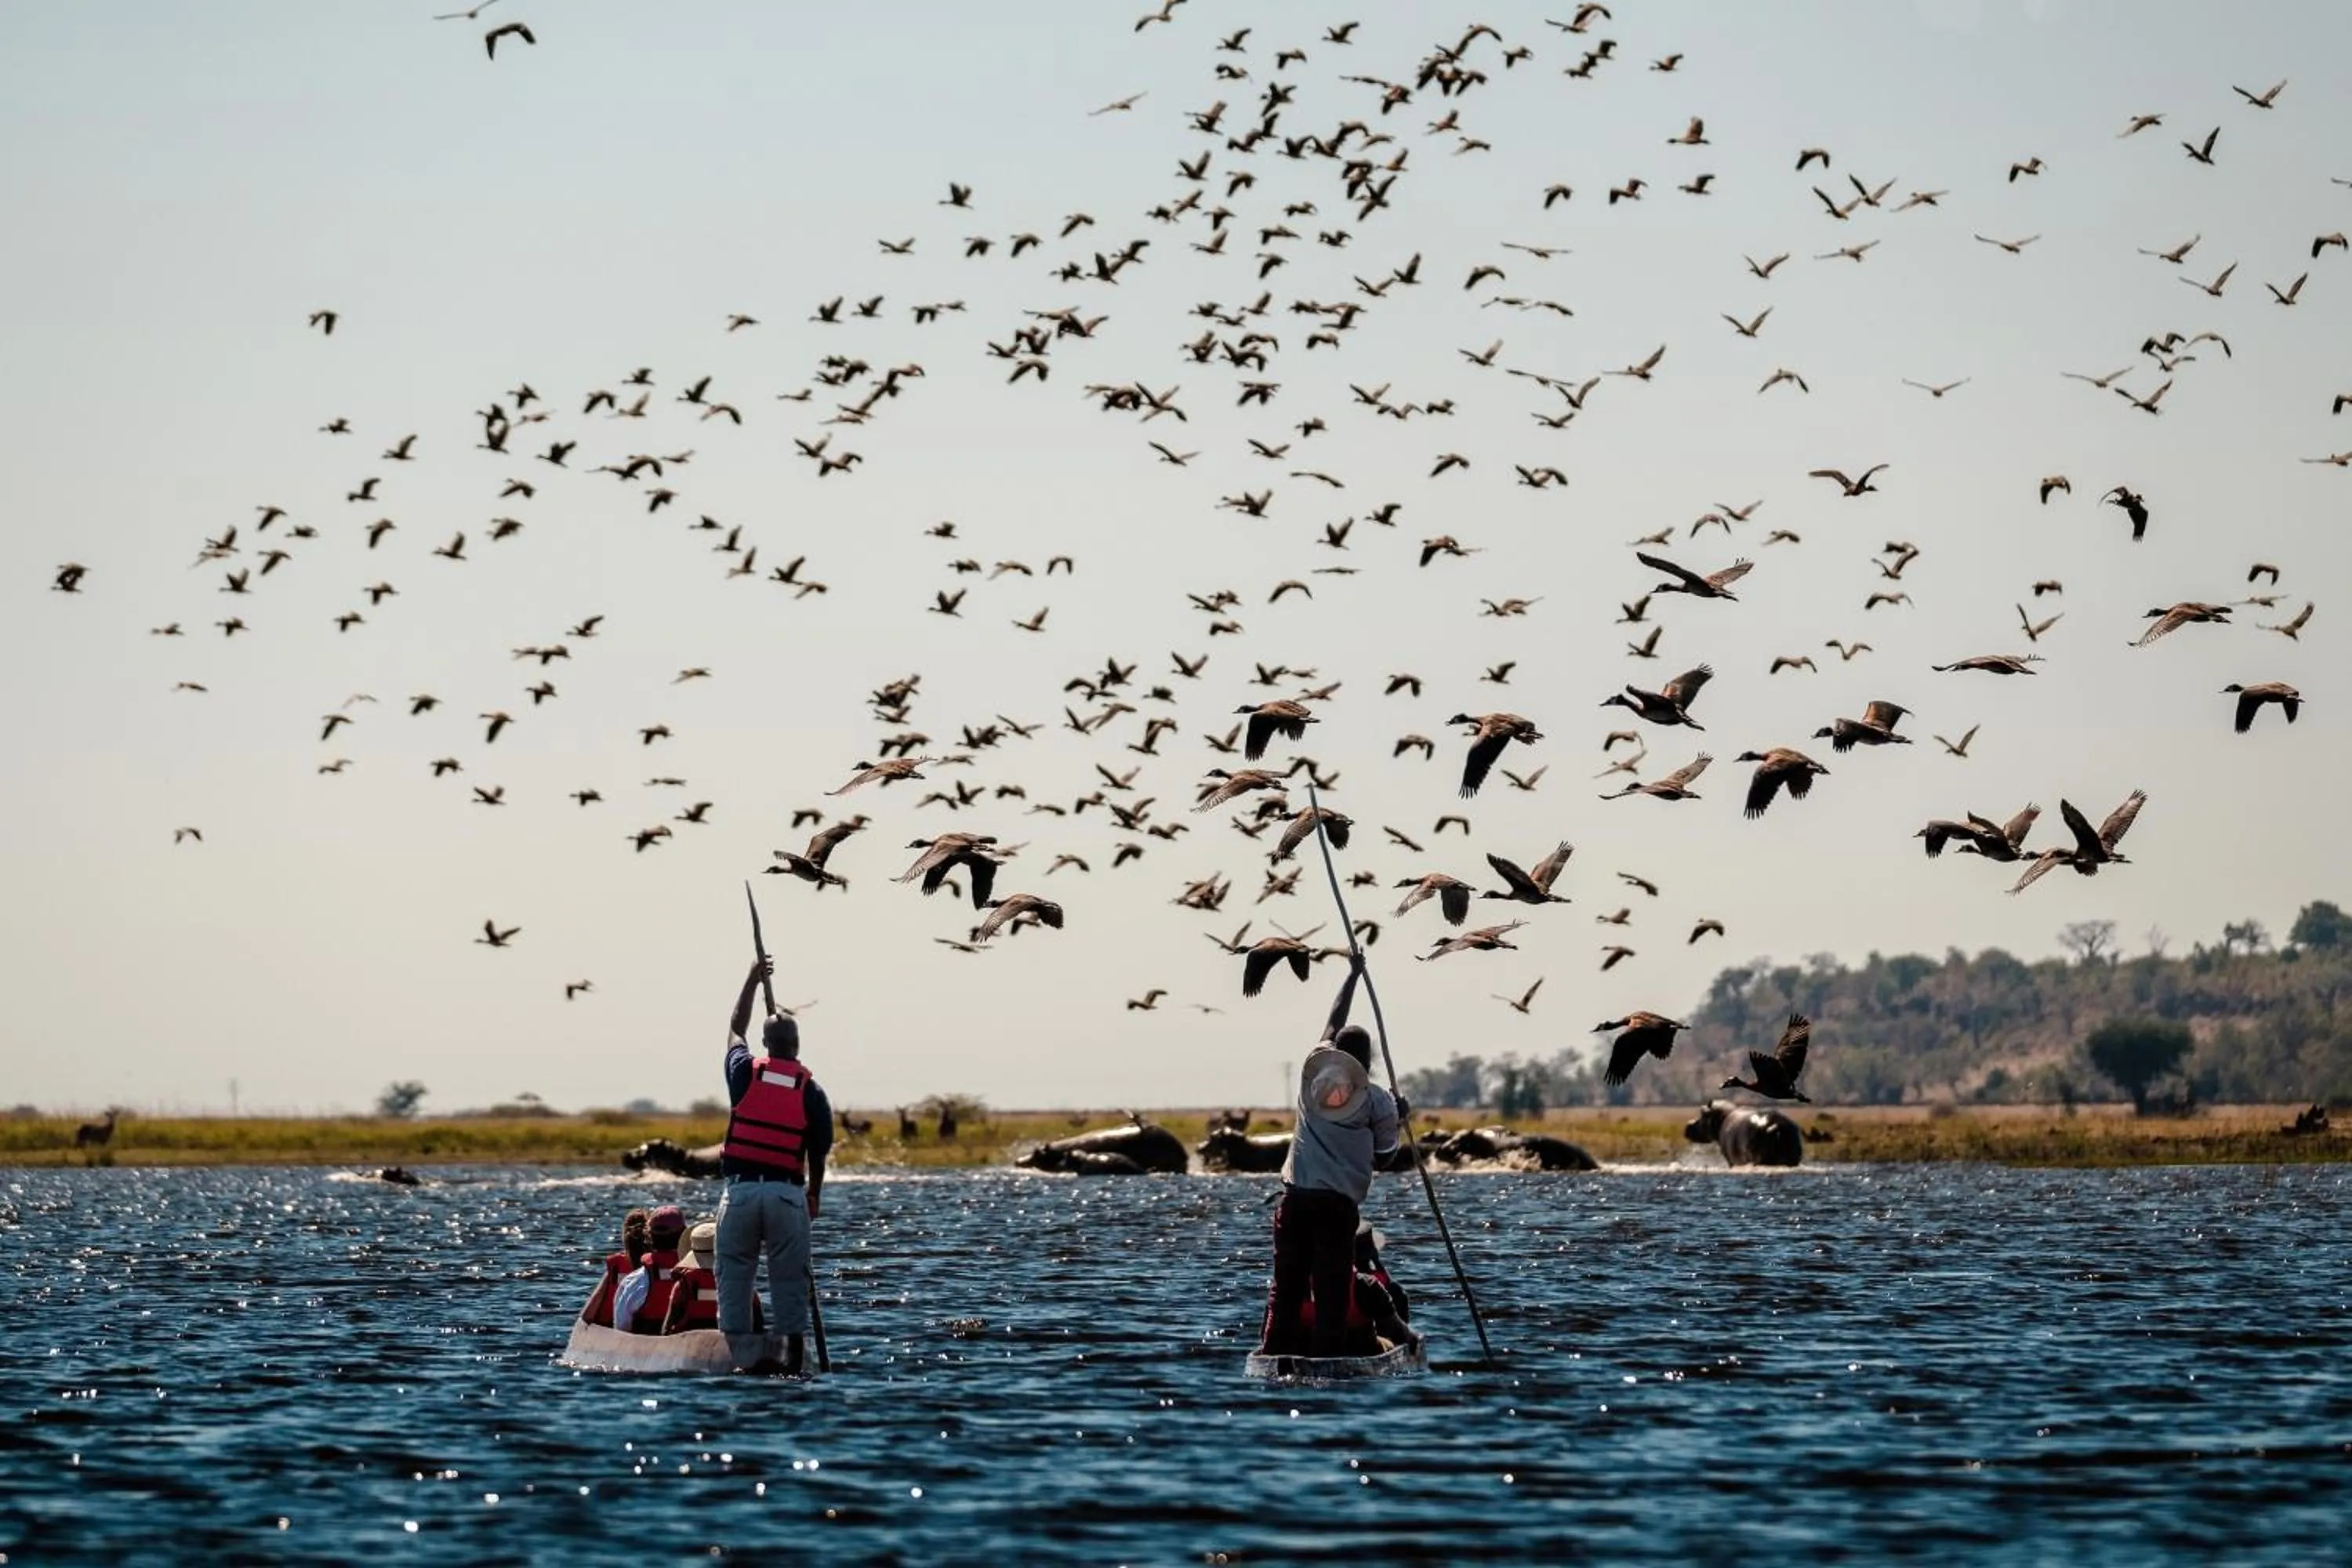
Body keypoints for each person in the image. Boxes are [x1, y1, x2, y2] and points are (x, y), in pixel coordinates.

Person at [1258, 953, 1406, 1359]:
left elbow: (1333, 1019)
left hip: (1295, 1201)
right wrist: (1400, 1115)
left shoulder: (1311, 1071)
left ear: (1336, 1054)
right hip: (1336, 1209)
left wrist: (1352, 974)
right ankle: (1328, 1363)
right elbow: (1385, 1159)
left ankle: (1275, 1359)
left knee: (1285, 1291)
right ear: (1366, 1062)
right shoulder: (1378, 1102)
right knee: (1331, 1293)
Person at [718, 955, 833, 1373]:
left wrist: (751, 978)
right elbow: (819, 1149)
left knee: (734, 1276)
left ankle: (736, 1356)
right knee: (789, 1283)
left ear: (766, 1046)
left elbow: (735, 1028)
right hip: (788, 1197)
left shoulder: (744, 1072)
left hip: (743, 1193)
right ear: (797, 1047)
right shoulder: (812, 1091)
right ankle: (793, 1359)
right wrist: (814, 1195)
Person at [660, 1220, 764, 1335]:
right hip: (732, 1348)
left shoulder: (683, 1285)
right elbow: (759, 1327)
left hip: (692, 1348)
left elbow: (666, 1330)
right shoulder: (742, 1285)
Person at [613, 1205, 685, 1334]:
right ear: (683, 1235)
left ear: (649, 1236)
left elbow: (621, 1327)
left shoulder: (633, 1281)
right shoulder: (705, 1277)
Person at [579, 1207, 652, 1328]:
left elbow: (587, 1316)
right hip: (651, 1328)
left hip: (611, 1331)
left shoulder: (615, 1268)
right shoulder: (662, 1267)